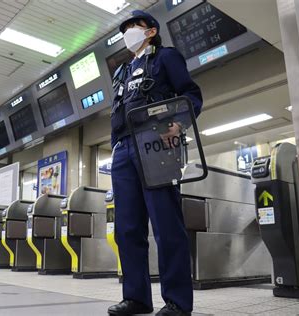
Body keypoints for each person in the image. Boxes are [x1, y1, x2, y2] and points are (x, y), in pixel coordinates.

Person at [108, 10, 202, 316]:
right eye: (125, 29)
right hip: (123, 149)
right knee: (128, 228)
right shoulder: (121, 72)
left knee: (165, 223)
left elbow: (191, 94)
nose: (129, 32)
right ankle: (136, 297)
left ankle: (177, 301)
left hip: (155, 142)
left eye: (134, 26)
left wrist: (178, 123)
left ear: (150, 31)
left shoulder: (165, 58)